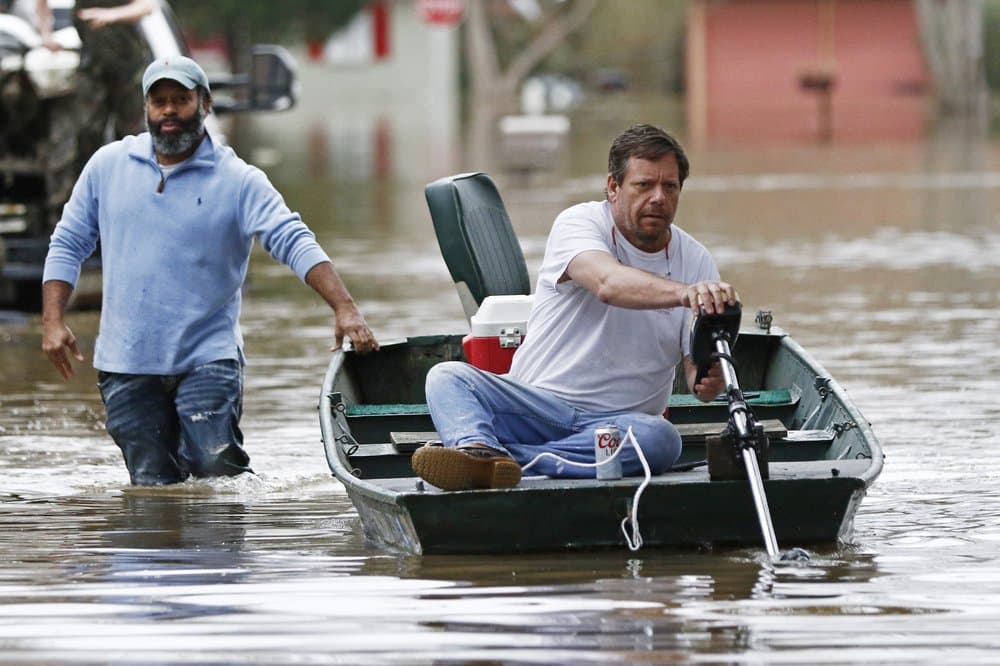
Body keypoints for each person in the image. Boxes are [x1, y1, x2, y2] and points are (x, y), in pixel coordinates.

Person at [41, 55, 379, 486]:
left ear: (204, 104)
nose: (168, 111)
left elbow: (292, 239)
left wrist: (345, 308)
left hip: (208, 356)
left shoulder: (239, 180)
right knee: (152, 486)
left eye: (180, 100)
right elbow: (68, 242)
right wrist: (53, 321)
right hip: (127, 360)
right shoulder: (107, 167)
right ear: (145, 108)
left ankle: (222, 548)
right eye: (158, 101)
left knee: (217, 471)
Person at [412, 124, 737, 491]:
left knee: (663, 440)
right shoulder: (579, 223)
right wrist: (684, 294)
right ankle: (483, 451)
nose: (659, 197)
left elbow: (698, 377)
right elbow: (607, 284)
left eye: (670, 187)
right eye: (644, 185)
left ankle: (503, 461)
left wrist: (710, 381)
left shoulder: (696, 260)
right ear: (613, 188)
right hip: (536, 408)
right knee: (447, 378)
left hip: (618, 425)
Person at [35, 0, 157, 165]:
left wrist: (111, 15)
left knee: (134, 133)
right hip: (91, 65)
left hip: (129, 65)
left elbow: (146, 6)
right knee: (83, 134)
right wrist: (46, 34)